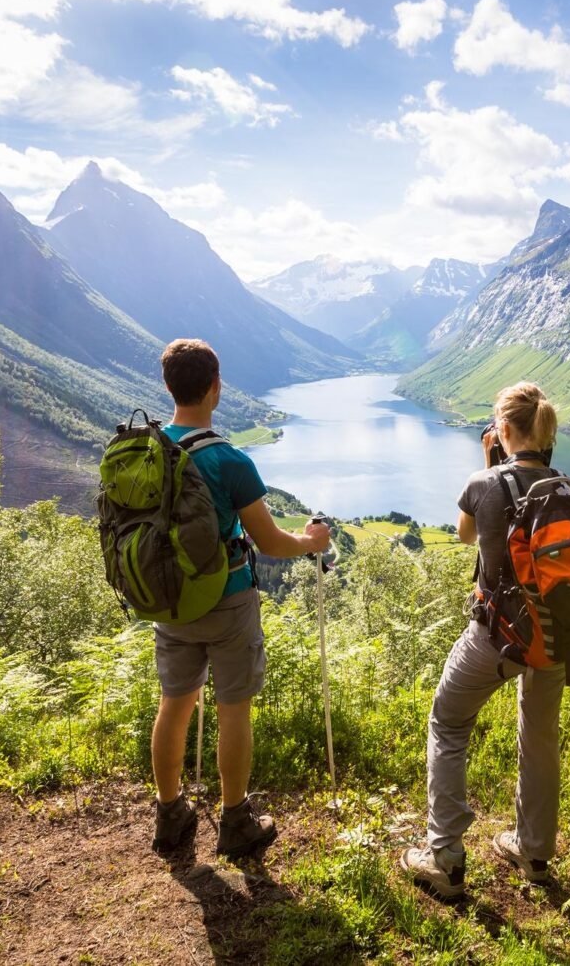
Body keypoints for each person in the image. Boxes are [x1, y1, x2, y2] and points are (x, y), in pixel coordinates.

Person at [151, 338, 330, 858]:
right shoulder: (229, 459)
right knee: (234, 710)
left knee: (174, 704)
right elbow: (271, 543)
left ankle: (169, 815)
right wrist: (312, 542)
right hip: (227, 600)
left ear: (168, 386)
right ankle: (235, 823)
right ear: (215, 387)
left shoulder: (146, 449)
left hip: (169, 599)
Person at [401, 382, 565, 897]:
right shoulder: (565, 485)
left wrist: (489, 462)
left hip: (496, 636)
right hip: (554, 637)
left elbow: (465, 534)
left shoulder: (483, 481)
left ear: (505, 431)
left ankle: (445, 857)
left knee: (448, 724)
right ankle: (534, 853)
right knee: (539, 738)